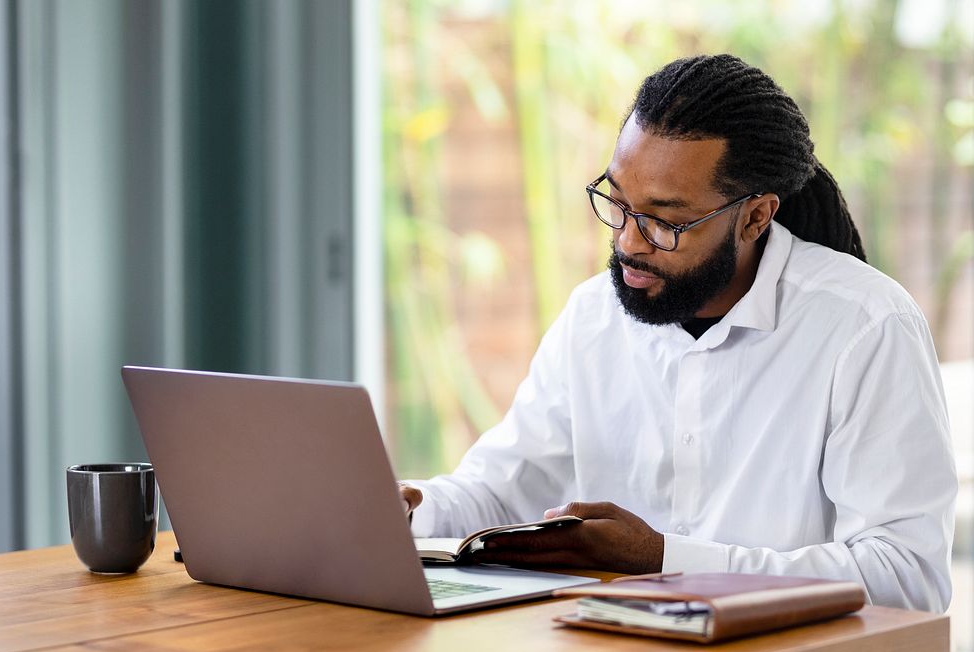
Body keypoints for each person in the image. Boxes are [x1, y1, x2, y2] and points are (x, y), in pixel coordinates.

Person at [398, 54, 957, 612]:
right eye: (617, 203)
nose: (628, 243)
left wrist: (662, 557)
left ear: (755, 217)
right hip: (613, 647)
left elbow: (906, 576)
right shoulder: (593, 316)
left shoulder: (864, 326)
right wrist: (401, 510)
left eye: (664, 221)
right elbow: (502, 489)